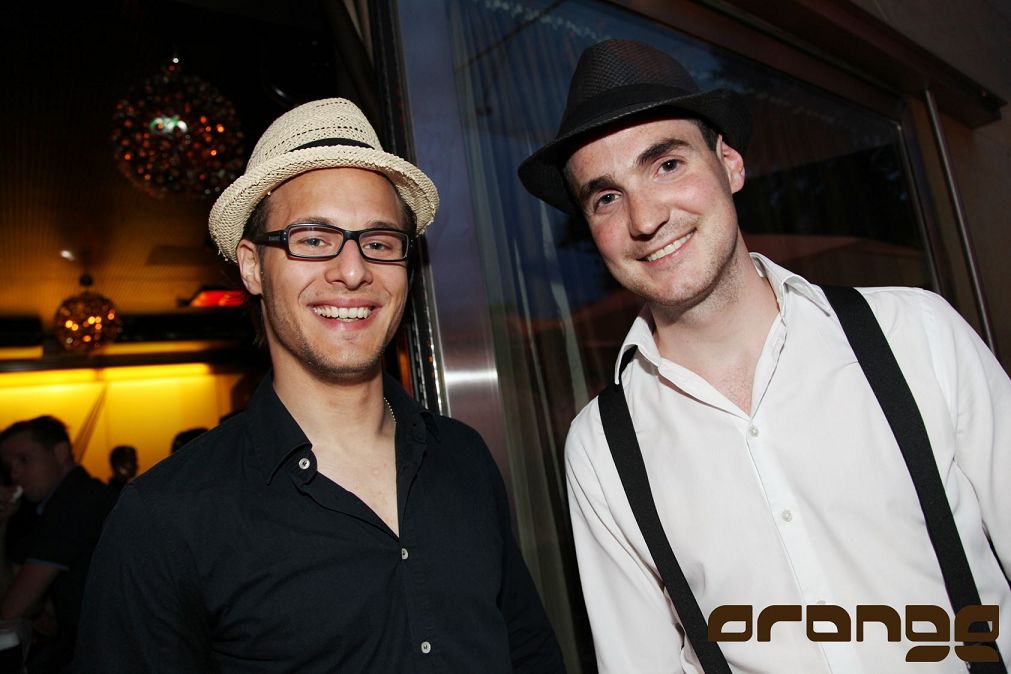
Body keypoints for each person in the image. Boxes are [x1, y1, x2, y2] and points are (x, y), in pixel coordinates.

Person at [518, 39, 1010, 673]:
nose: (645, 217)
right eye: (606, 197)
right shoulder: (601, 447)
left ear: (730, 164)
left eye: (667, 164)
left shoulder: (916, 334)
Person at [76, 98, 565, 673]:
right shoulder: (166, 517)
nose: (353, 271)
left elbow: (531, 654)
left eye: (379, 242)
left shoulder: (464, 457)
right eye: (312, 239)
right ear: (252, 267)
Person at [0, 416, 114, 672]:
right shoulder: (63, 501)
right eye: (9, 466)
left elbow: (12, 609)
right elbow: (14, 592)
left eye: (24, 459)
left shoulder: (73, 505)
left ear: (60, 453)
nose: (15, 474)